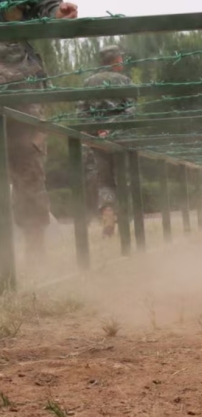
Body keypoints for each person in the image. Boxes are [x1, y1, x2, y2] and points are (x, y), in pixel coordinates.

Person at [0, 1, 78, 263]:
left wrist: (58, 12)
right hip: (21, 84)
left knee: (29, 172)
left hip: (22, 88)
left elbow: (46, 6)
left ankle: (35, 251)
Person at [76, 45, 135, 237]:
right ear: (116, 60)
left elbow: (81, 113)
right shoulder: (124, 81)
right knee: (123, 180)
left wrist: (98, 131)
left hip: (95, 142)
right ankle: (123, 219)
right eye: (121, 59)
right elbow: (131, 112)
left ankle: (108, 211)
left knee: (103, 181)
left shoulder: (89, 82)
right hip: (120, 140)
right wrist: (112, 129)